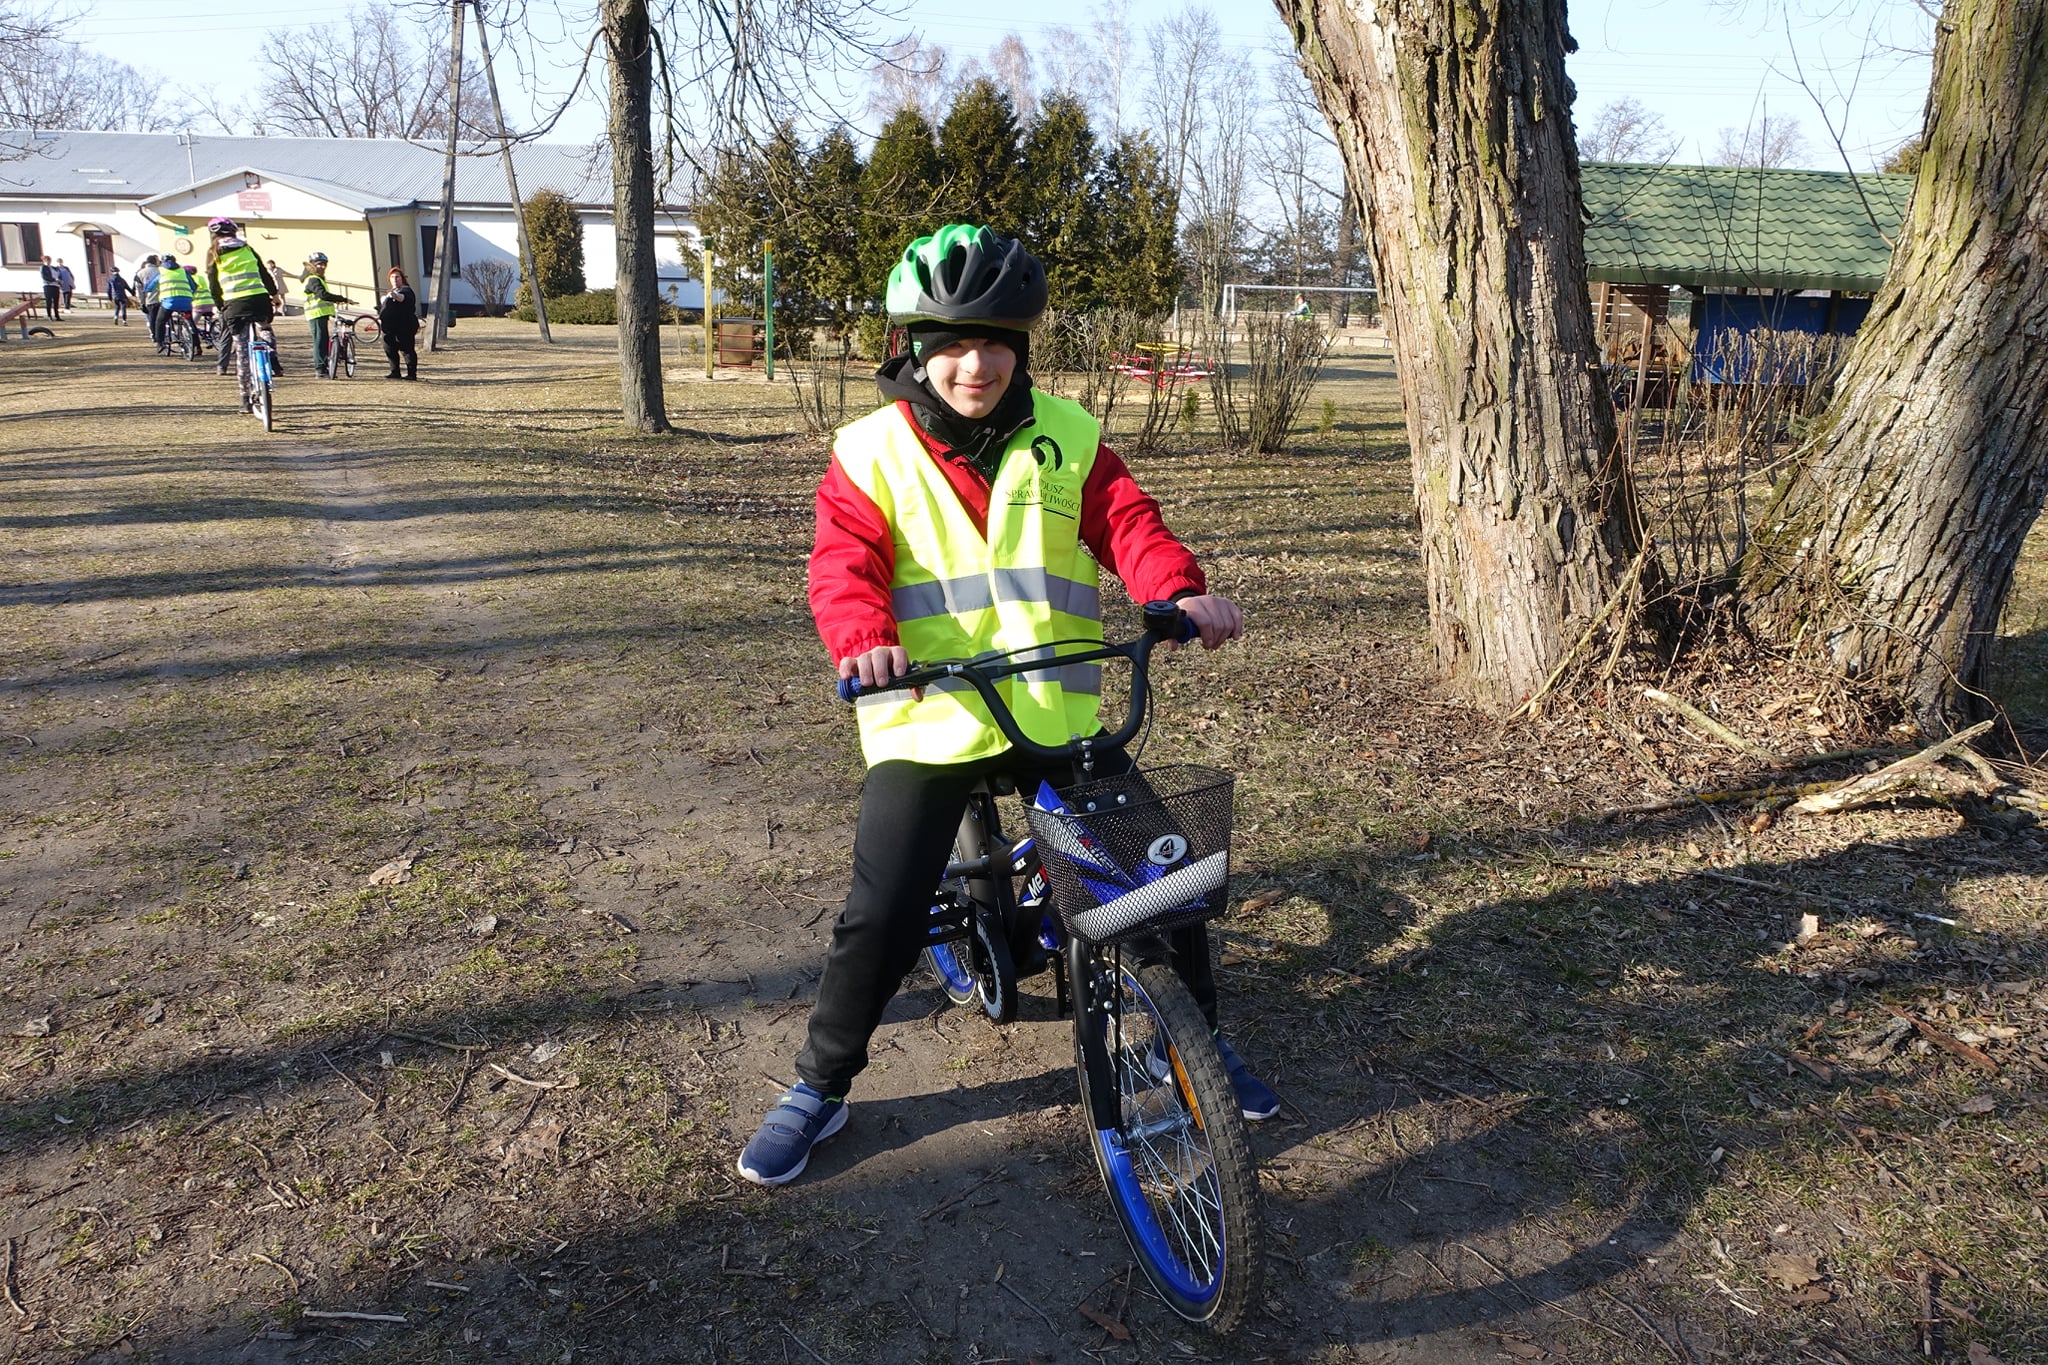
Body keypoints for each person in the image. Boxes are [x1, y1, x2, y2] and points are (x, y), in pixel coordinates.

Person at [736, 224, 1273, 1188]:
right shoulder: (870, 451)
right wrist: (863, 639)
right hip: (928, 714)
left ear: (1021, 346)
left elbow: (1129, 525)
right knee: (883, 910)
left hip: (1051, 708)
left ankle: (1192, 1041)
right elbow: (842, 564)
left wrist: (1178, 591)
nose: (975, 364)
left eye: (995, 342)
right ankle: (821, 1083)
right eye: (952, 342)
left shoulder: (1069, 436)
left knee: (1162, 874)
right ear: (914, 346)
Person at [205, 217, 285, 407]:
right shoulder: (247, 248)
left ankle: (244, 398)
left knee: (242, 351)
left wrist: (220, 306)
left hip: (234, 305)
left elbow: (214, 285)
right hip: (259, 300)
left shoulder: (213, 253)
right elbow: (264, 274)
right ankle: (272, 356)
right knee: (264, 327)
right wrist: (274, 295)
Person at [300, 253, 353, 378]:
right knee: (319, 341)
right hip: (316, 314)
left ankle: (324, 367)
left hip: (321, 314)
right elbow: (322, 295)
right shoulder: (313, 279)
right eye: (319, 264)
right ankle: (320, 369)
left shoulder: (317, 278)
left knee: (323, 340)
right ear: (312, 265)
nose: (322, 267)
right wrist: (342, 298)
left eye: (324, 264)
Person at [376, 267, 418, 380]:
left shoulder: (406, 290)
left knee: (406, 349)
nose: (395, 279)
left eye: (397, 277)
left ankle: (411, 374)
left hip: (404, 326)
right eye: (392, 277)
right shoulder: (391, 291)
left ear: (402, 278)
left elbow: (402, 298)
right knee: (389, 349)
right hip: (389, 328)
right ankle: (395, 372)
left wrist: (395, 296)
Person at [154, 253, 194, 354]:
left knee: (160, 321)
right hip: (186, 300)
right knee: (190, 320)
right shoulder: (183, 270)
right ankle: (197, 346)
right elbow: (193, 285)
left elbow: (149, 286)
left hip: (169, 301)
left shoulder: (160, 270)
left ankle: (160, 343)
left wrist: (148, 289)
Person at [137, 255, 162, 347]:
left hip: (150, 300)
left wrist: (141, 302)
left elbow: (139, 290)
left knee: (152, 319)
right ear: (155, 261)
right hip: (163, 299)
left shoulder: (140, 273)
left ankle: (155, 336)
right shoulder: (161, 271)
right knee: (163, 319)